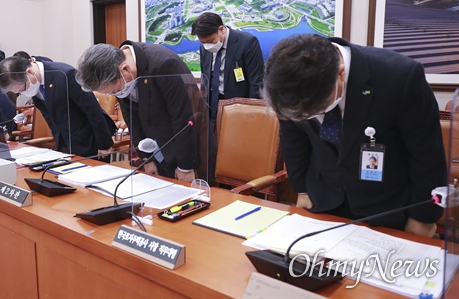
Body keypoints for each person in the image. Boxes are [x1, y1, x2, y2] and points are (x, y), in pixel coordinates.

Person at [261, 34, 446, 237]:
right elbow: (293, 139)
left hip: (387, 209)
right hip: (324, 201)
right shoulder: (285, 79)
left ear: (340, 74)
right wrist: (302, 189)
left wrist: (424, 217)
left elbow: (427, 155)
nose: (311, 118)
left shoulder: (400, 76)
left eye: (318, 110)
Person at [76, 41, 204, 183]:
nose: (117, 94)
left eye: (115, 91)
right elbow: (132, 119)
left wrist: (185, 167)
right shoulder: (114, 69)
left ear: (125, 69)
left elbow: (183, 118)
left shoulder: (165, 64)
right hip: (159, 153)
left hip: (190, 153)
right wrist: (146, 158)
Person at [0, 56, 116, 157]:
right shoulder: (34, 84)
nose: (24, 93)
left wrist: (104, 144)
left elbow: (92, 110)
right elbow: (50, 117)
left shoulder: (65, 74)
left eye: (24, 89)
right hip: (65, 145)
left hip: (89, 141)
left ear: (30, 72)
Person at [191, 12, 264, 120]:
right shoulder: (204, 48)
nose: (208, 46)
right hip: (212, 105)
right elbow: (205, 77)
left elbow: (256, 81)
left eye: (211, 41)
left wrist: (251, 112)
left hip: (239, 107)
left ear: (221, 29)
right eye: (203, 42)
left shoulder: (247, 43)